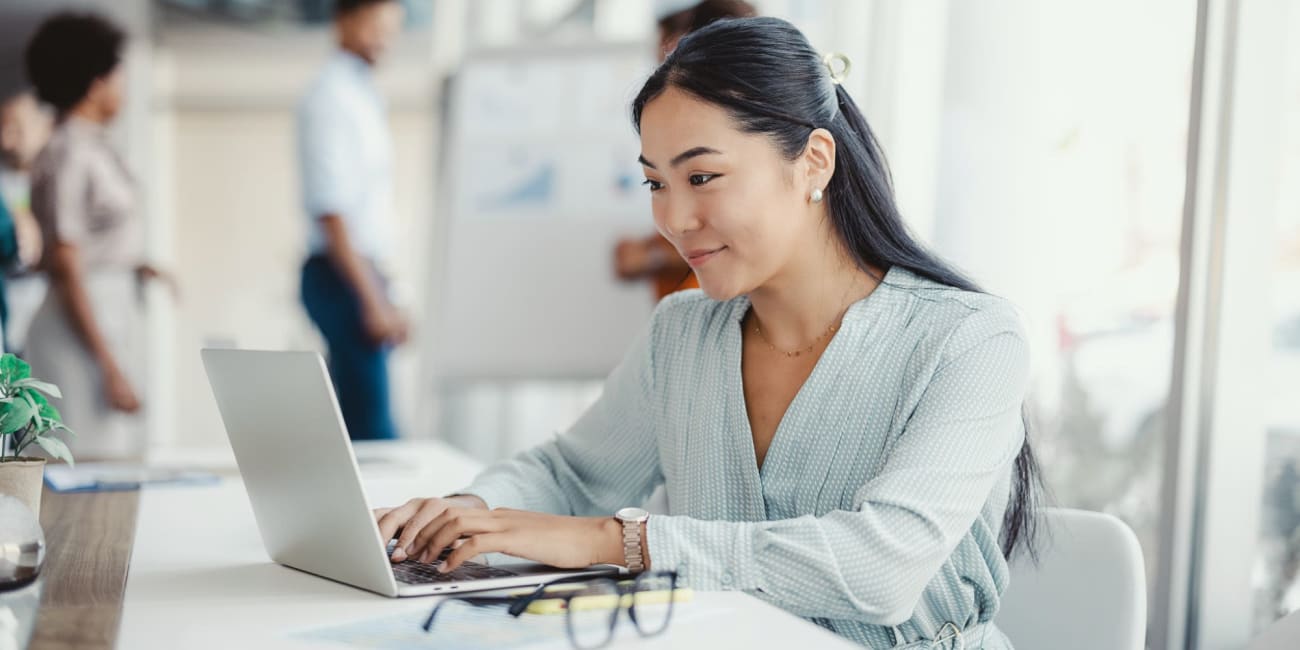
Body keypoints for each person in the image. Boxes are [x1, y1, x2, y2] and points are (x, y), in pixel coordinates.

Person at [375, 17, 1041, 649]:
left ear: (813, 161)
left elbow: (881, 567)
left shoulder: (970, 340)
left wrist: (615, 542)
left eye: (702, 177)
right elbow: (573, 474)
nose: (674, 218)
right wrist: (465, 511)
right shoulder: (684, 332)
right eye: (654, 183)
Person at [24, 12, 152, 459]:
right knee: (87, 464)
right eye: (118, 75)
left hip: (105, 308)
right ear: (96, 82)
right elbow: (66, 261)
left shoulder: (92, 144)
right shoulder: (68, 152)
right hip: (77, 321)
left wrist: (137, 263)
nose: (123, 86)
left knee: (113, 457)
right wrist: (109, 365)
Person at [298, 0, 407, 441]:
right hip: (341, 276)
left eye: (391, 28)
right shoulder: (331, 96)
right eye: (374, 25)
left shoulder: (362, 92)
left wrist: (390, 292)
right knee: (373, 431)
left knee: (359, 423)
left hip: (362, 274)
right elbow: (333, 211)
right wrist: (374, 300)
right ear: (343, 20)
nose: (384, 37)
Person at [612, 0, 757, 301]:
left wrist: (652, 257)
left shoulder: (740, 126)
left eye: (701, 178)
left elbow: (744, 231)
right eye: (654, 183)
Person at [0, 91, 53, 353]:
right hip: (11, 330)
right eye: (3, 128)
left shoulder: (57, 180)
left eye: (16, 129)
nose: (5, 140)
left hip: (50, 328)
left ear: (46, 127)